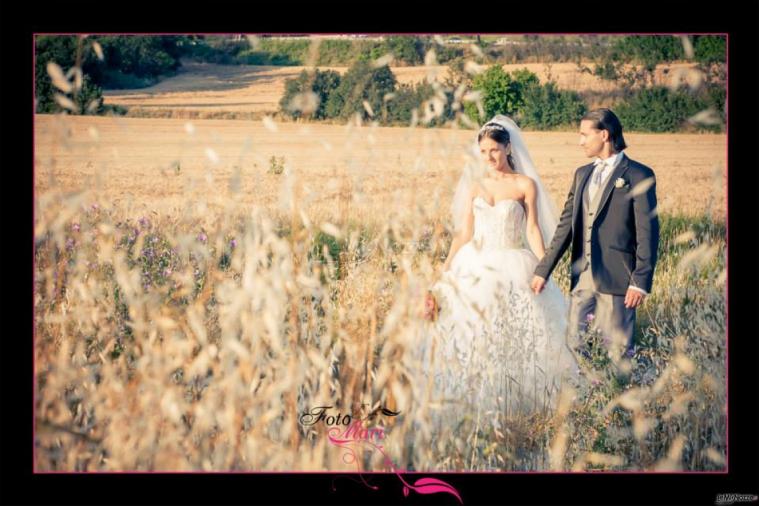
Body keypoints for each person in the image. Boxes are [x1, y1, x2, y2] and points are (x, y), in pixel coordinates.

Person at [420, 115, 577, 423]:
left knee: (517, 331)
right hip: (475, 264)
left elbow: (532, 229)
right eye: (482, 152)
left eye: (493, 150)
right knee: (472, 331)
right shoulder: (475, 185)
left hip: (512, 264)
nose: (488, 157)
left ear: (507, 147)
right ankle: (472, 400)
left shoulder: (524, 184)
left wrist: (544, 267)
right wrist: (446, 269)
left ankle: (519, 402)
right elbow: (464, 233)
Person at [531, 108, 660, 371]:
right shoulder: (582, 174)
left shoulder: (638, 175)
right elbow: (565, 226)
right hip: (583, 276)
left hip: (619, 278)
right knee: (575, 341)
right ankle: (596, 392)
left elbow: (648, 232)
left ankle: (619, 403)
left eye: (583, 135)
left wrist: (640, 280)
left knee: (618, 350)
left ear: (604, 134)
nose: (580, 141)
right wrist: (543, 269)